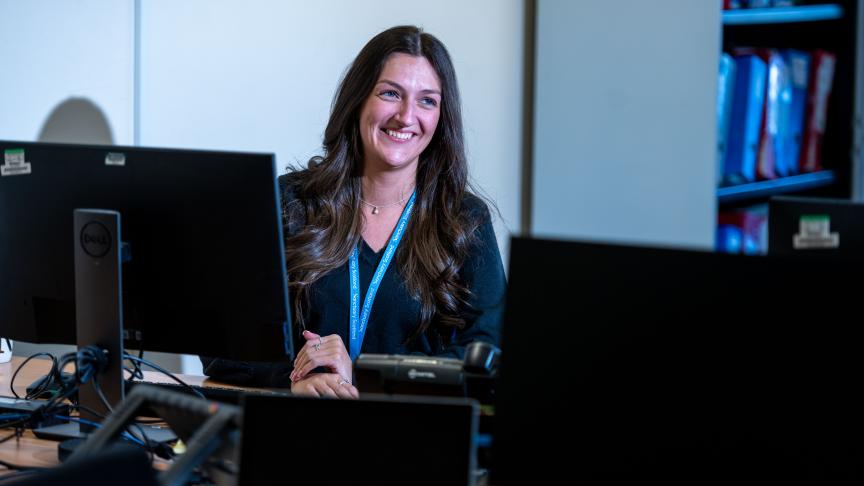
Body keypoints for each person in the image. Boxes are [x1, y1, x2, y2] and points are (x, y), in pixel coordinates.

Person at [201, 25, 505, 399]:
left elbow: (489, 357)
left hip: (413, 437)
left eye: (427, 101)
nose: (407, 116)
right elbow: (221, 344)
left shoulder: (464, 220)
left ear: (442, 118)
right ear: (359, 99)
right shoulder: (289, 203)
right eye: (391, 93)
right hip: (294, 431)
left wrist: (361, 374)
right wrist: (296, 377)